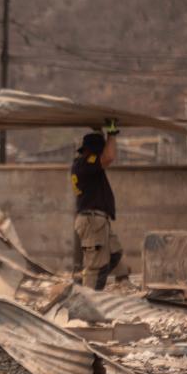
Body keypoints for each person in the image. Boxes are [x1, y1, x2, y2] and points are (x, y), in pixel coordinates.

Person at [70, 119, 124, 291]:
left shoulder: (84, 164)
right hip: (92, 222)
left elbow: (102, 155)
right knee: (96, 268)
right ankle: (89, 300)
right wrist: (112, 133)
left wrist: (100, 131)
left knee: (114, 254)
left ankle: (85, 285)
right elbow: (108, 157)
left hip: (96, 221)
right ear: (93, 151)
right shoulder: (86, 164)